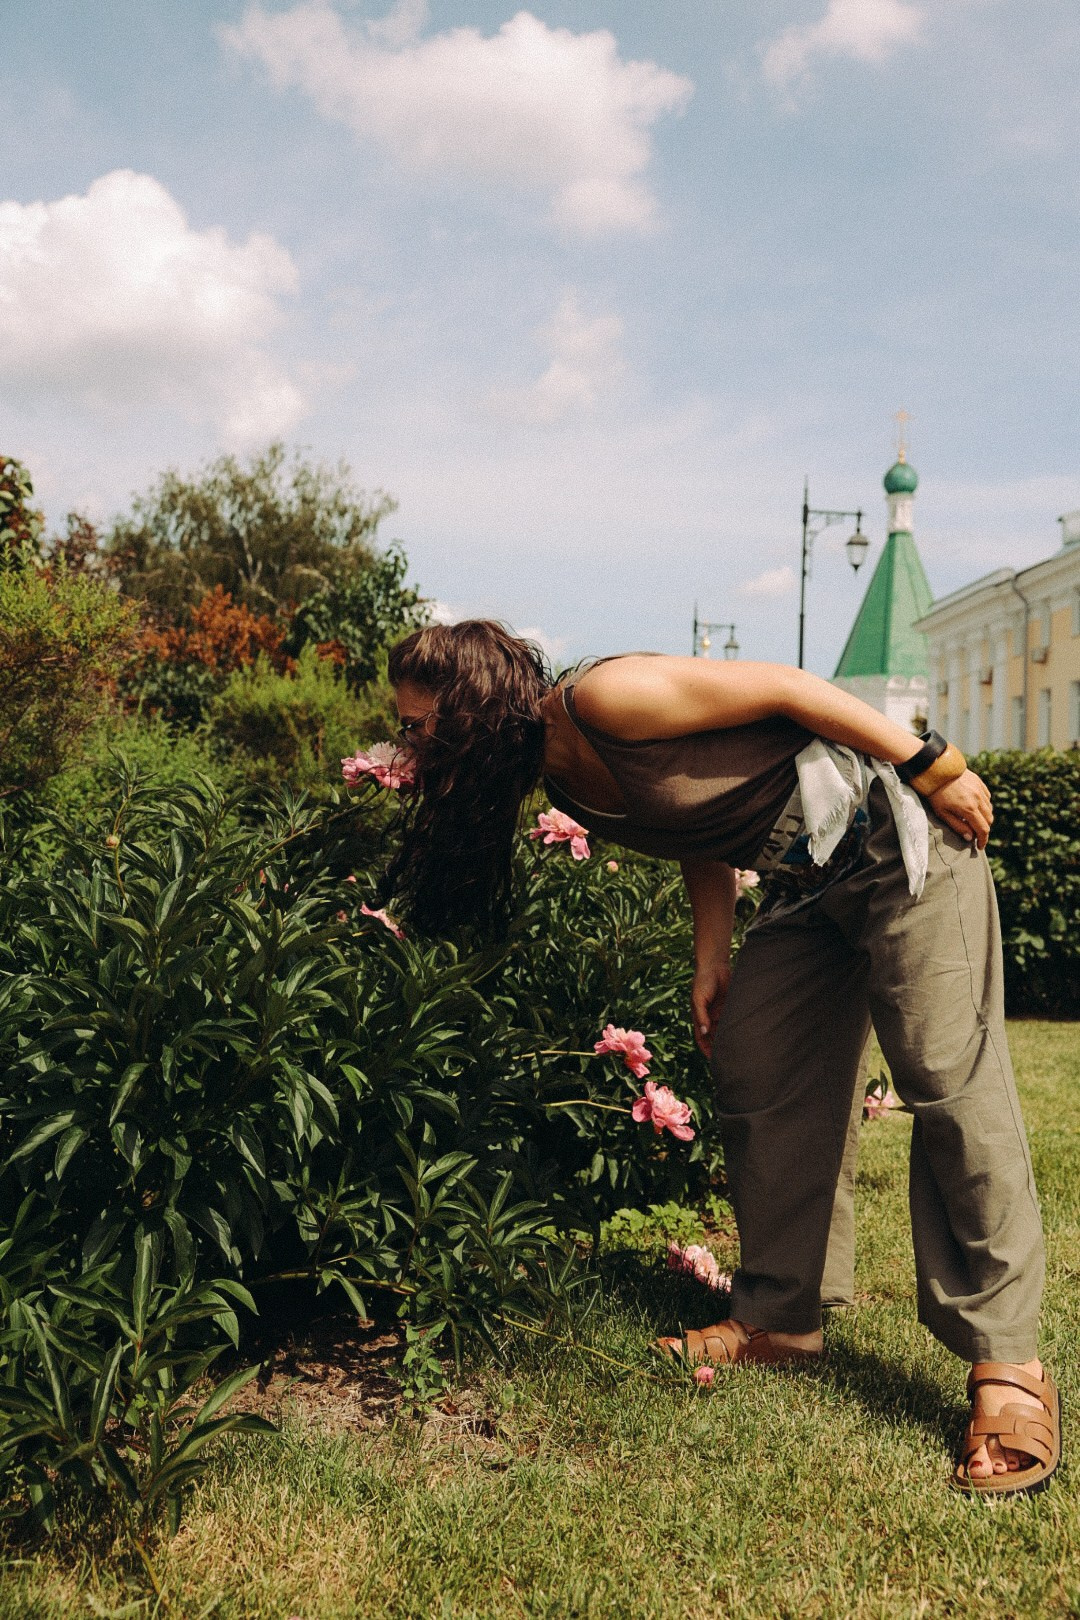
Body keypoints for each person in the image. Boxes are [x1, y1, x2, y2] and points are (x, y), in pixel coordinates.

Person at [383, 619, 1059, 1499]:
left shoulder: (601, 700)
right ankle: (782, 1321)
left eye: (418, 727)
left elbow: (787, 686)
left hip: (896, 841)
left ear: (470, 706)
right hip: (804, 881)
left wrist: (933, 762)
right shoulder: (560, 778)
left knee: (946, 1076)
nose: (409, 749)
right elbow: (691, 823)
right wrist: (713, 952)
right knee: (757, 1059)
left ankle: (1009, 1360)